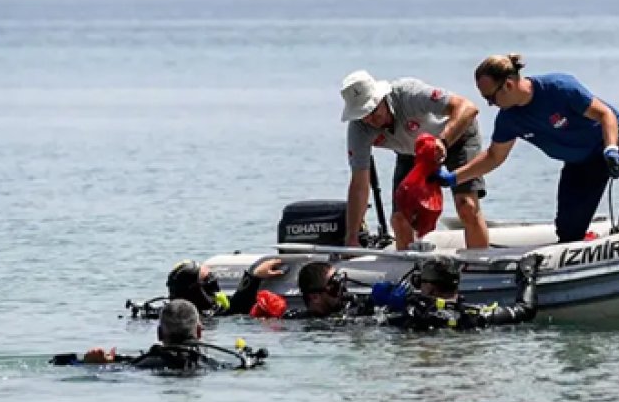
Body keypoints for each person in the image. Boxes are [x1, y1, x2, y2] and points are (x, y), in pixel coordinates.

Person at [437, 54, 619, 243]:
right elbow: (493, 157)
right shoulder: (509, 120)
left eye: (491, 98)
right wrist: (454, 178)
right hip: (580, 162)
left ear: (508, 85)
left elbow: (605, 115)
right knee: (569, 230)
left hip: (613, 139)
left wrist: (612, 148)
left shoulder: (559, 88)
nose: (490, 104)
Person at [341, 70, 490, 250]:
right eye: (362, 115)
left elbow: (468, 107)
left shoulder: (409, 94)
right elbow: (359, 183)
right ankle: (410, 272)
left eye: (373, 111)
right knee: (400, 219)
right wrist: (352, 236)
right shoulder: (359, 129)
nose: (370, 119)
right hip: (412, 152)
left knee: (466, 206)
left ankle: (479, 264)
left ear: (382, 98)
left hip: (456, 138)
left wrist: (443, 141)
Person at [294, 256, 540, 330]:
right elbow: (525, 310)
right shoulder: (474, 315)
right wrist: (527, 275)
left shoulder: (410, 316)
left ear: (429, 287)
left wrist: (391, 306)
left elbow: (362, 329)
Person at [57, 300, 268, 371]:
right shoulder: (216, 364)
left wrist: (93, 363)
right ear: (199, 331)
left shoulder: (141, 364)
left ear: (159, 334)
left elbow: (58, 362)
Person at [156, 258, 287, 318]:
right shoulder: (205, 318)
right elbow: (237, 309)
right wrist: (254, 277)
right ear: (196, 292)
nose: (216, 289)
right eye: (208, 281)